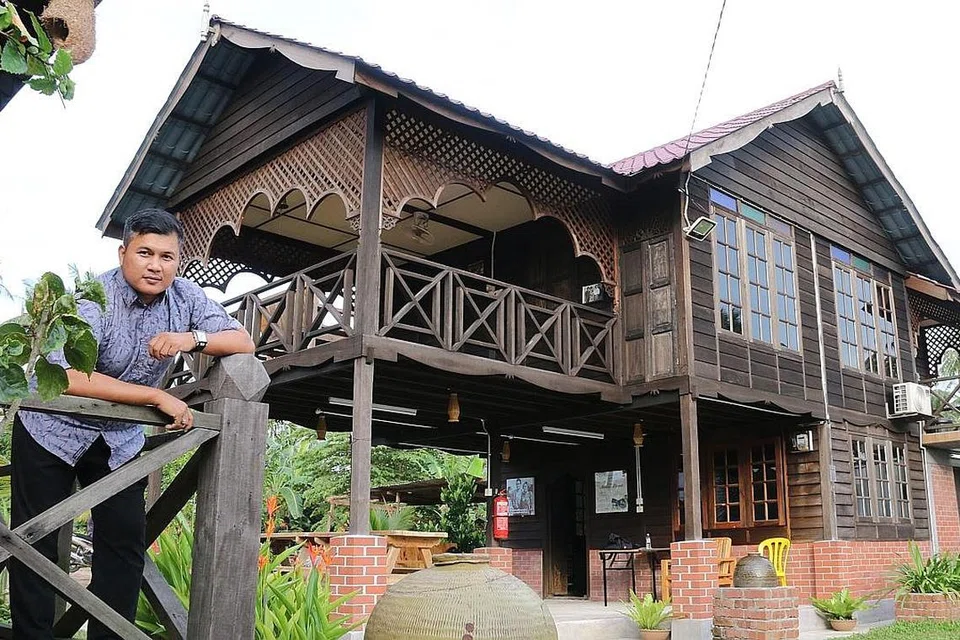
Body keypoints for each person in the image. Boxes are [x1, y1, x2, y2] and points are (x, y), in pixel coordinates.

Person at [12, 209, 256, 639]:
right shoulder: (93, 297)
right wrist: (154, 395)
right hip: (50, 429)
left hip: (120, 440)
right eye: (144, 252)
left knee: (124, 543)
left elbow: (243, 340)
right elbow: (67, 377)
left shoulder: (186, 297)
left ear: (178, 261)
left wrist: (191, 338)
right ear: (124, 252)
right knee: (33, 542)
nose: (156, 265)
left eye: (167, 256)